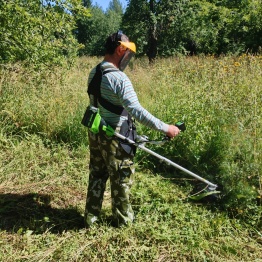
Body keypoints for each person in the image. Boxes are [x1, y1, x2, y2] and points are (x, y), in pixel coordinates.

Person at [84, 30, 180, 228]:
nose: (129, 58)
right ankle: (123, 223)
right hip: (115, 137)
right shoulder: (119, 78)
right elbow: (136, 111)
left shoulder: (94, 72)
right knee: (121, 179)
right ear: (120, 49)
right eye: (128, 53)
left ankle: (90, 218)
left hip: (96, 133)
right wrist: (166, 128)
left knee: (97, 174)